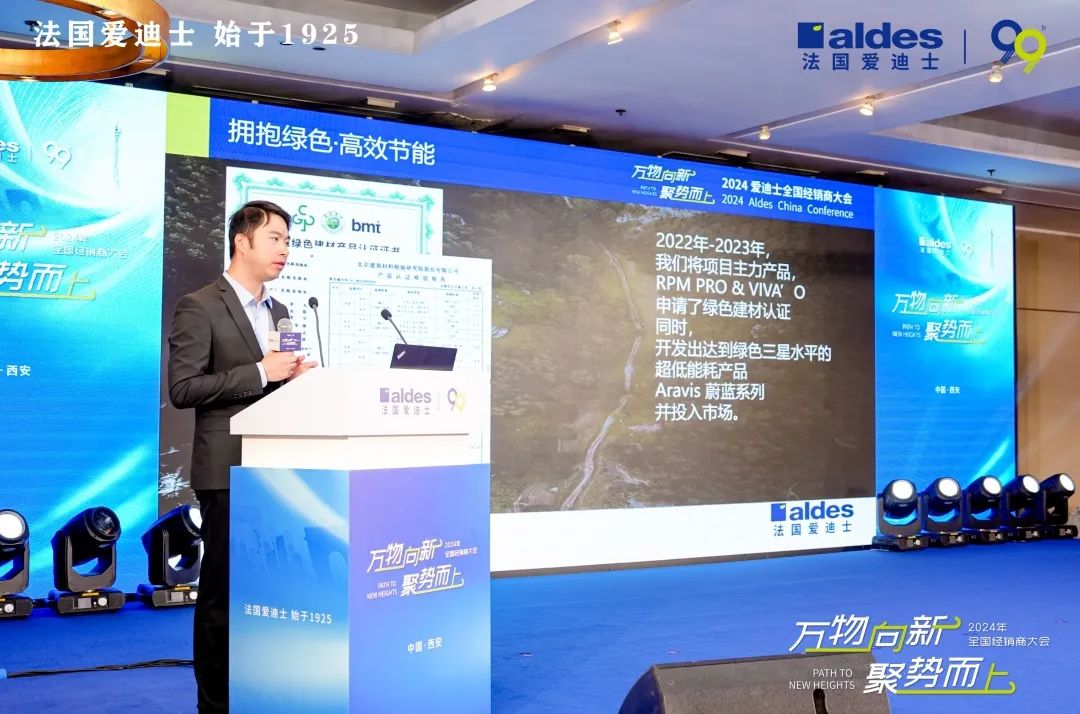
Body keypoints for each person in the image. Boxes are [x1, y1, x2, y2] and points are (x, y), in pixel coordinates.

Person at [167, 200, 316, 713]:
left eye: (289, 240)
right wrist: (260, 372)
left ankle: (261, 691)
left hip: (275, 471)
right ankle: (215, 705)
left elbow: (275, 388)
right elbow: (183, 388)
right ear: (242, 240)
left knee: (271, 589)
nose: (285, 249)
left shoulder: (281, 312)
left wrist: (295, 381)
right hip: (226, 470)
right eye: (275, 238)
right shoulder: (200, 305)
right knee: (223, 595)